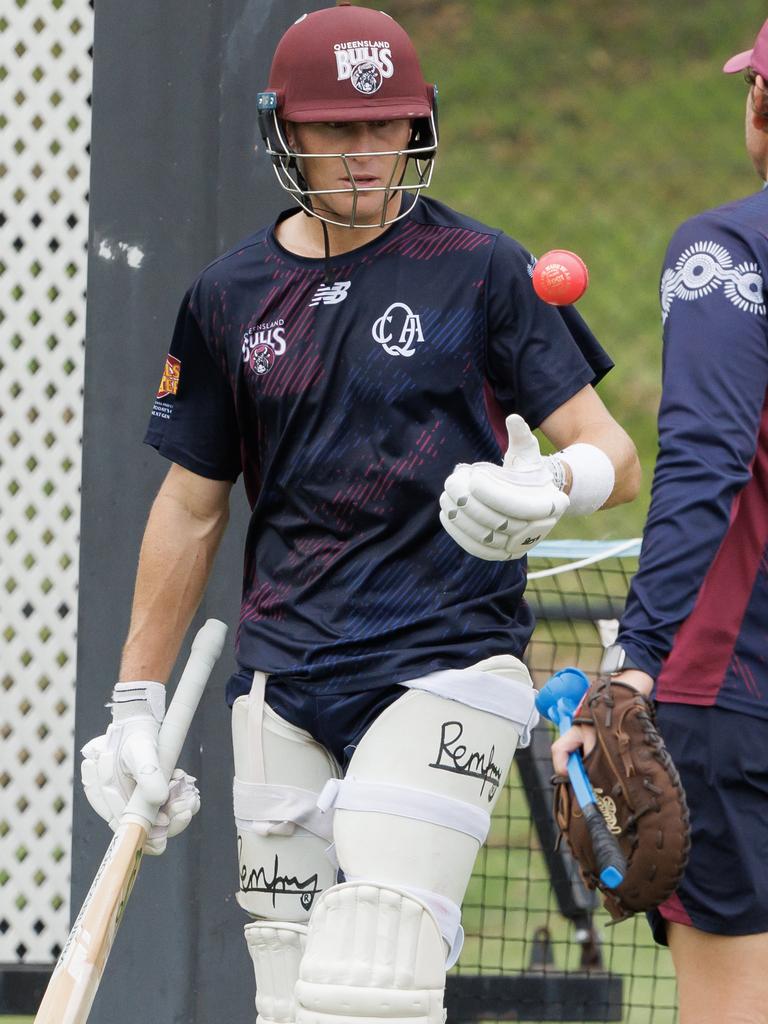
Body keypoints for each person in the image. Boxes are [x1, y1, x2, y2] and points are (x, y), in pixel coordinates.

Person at [79, 5, 639, 1022]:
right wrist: (134, 705)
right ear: (284, 130)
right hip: (283, 678)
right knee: (290, 997)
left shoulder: (485, 270)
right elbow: (192, 507)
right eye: (339, 128)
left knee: (374, 974)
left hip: (445, 661)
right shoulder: (226, 297)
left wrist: (549, 486)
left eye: (388, 126)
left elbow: (614, 452)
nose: (367, 152)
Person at [553, 18, 768, 1024]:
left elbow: (704, 460)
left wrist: (636, 657)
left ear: (759, 112)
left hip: (733, 694)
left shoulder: (728, 250)